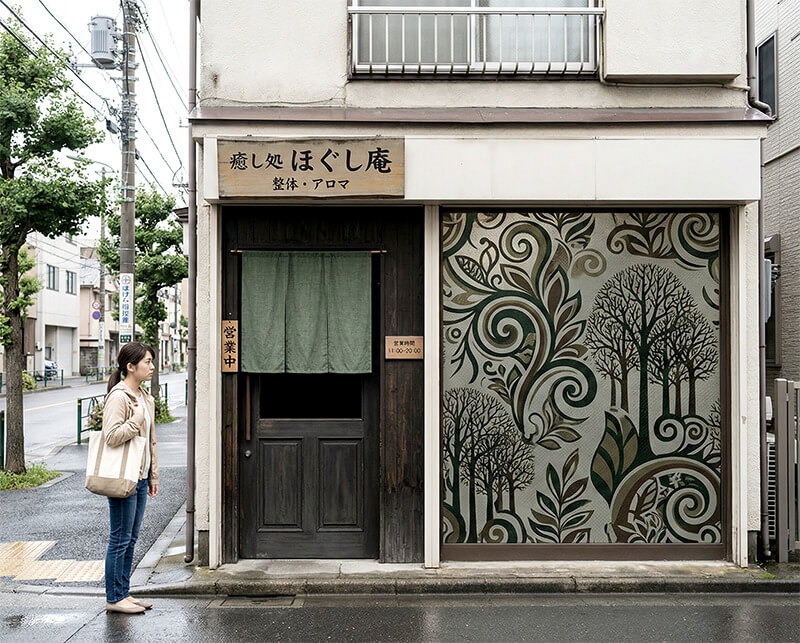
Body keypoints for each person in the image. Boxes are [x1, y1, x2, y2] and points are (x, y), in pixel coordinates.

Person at [101, 342, 159, 614]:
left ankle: (123, 592)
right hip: (123, 477)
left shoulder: (145, 397)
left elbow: (151, 442)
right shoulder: (119, 397)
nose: (152, 367)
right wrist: (135, 420)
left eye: (151, 361)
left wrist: (153, 474)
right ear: (130, 366)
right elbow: (111, 436)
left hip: (140, 477)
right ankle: (114, 597)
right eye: (147, 362)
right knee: (120, 538)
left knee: (131, 538)